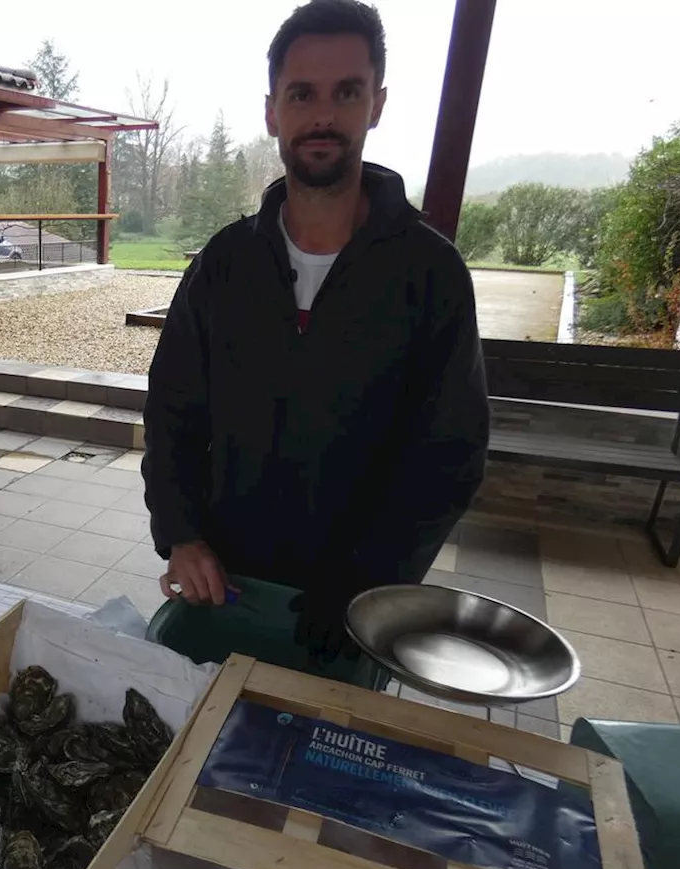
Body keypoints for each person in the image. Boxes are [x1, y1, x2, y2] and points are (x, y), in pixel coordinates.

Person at [142, 0, 490, 666]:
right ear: (273, 109)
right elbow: (173, 413)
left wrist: (372, 577)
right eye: (302, 94)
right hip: (228, 591)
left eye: (346, 92)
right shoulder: (225, 265)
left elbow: (449, 455)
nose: (323, 116)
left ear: (376, 104)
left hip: (352, 605)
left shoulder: (429, 273)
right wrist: (181, 535)